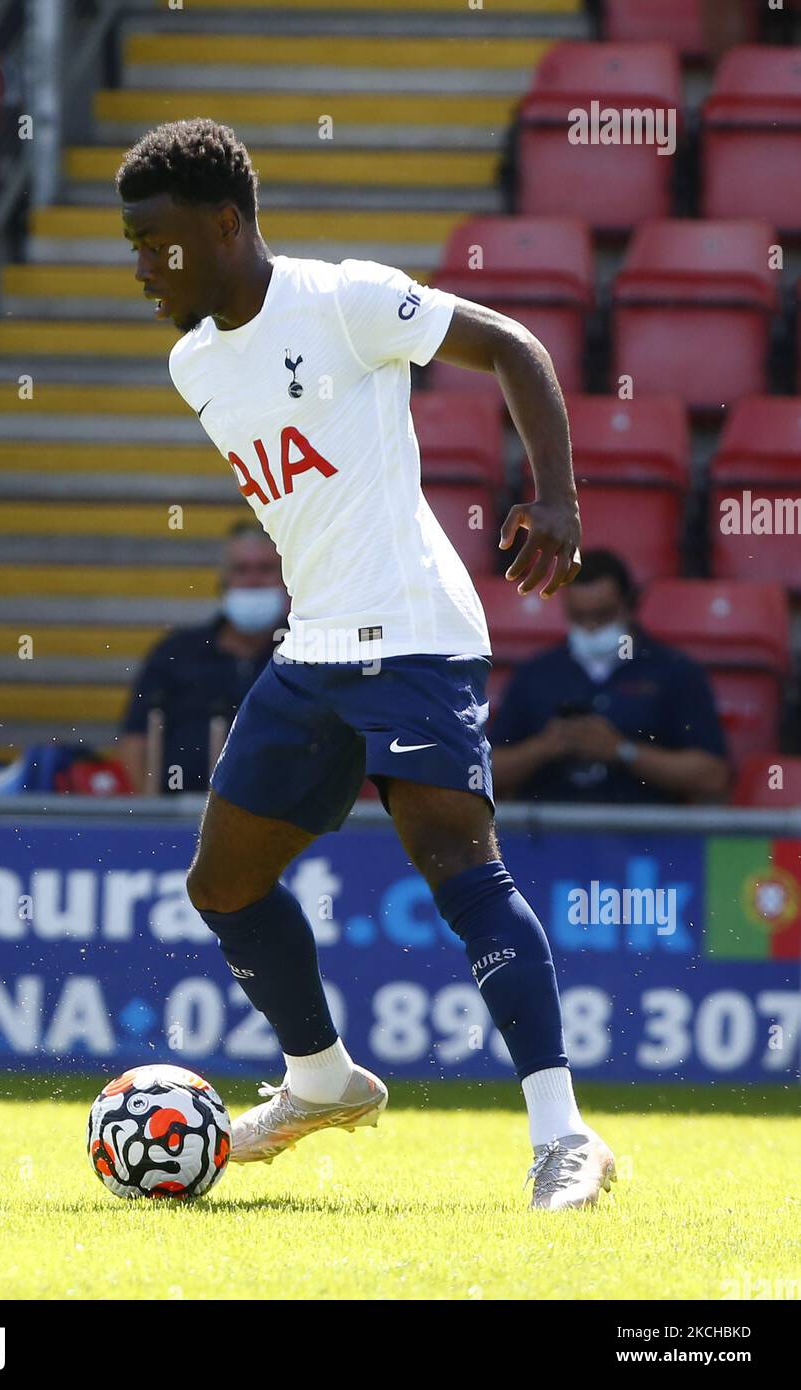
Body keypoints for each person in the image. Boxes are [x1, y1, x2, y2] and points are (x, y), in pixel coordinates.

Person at [118, 118, 614, 1211]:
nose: (141, 267)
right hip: (315, 648)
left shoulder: (343, 300)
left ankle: (562, 1138)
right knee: (224, 882)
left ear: (224, 224)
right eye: (129, 245)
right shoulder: (193, 363)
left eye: (157, 244)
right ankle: (320, 1079)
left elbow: (512, 348)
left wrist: (556, 499)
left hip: (415, 633)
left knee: (459, 873)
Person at [491, 550, 730, 805]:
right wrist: (545, 747)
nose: (591, 627)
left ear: (629, 606)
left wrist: (621, 750)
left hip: (647, 836)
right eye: (579, 617)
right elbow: (487, 772)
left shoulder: (675, 672)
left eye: (603, 615)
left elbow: (713, 777)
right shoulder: (536, 673)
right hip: (548, 836)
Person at [117, 521, 288, 794]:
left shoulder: (307, 655)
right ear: (223, 583)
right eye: (241, 570)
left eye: (266, 569)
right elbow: (135, 739)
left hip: (283, 822)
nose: (253, 580)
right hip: (178, 816)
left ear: (288, 579)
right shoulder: (176, 653)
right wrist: (149, 814)